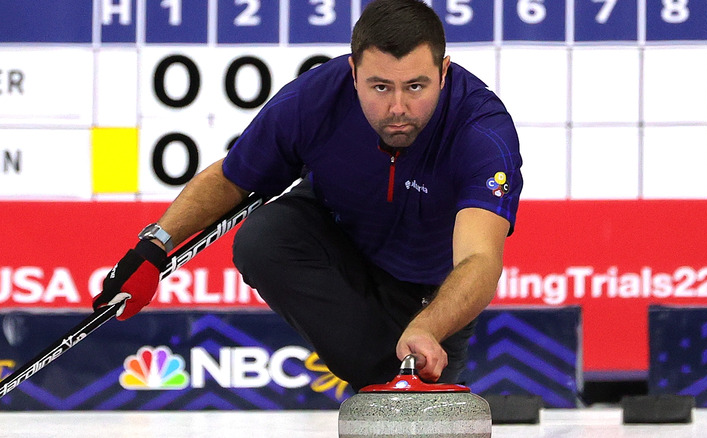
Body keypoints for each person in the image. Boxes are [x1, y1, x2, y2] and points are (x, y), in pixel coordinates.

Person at [94, 0, 523, 391]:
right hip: (337, 249)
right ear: (352, 72)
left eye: (415, 87)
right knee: (261, 238)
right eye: (379, 87)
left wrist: (428, 328)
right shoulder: (316, 98)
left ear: (444, 72)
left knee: (409, 415)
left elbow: (479, 260)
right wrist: (154, 246)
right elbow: (232, 178)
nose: (397, 107)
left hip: (432, 294)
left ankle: (395, 381)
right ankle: (385, 379)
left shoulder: (482, 132)